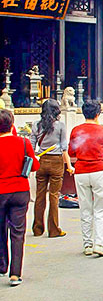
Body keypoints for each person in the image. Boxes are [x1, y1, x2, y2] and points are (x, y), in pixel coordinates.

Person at [68, 100, 103, 257]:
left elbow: (71, 152)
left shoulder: (76, 131)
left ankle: (87, 244)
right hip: (99, 170)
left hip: (80, 171)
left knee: (85, 209)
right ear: (98, 114)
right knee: (100, 209)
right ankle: (99, 243)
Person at [0, 109, 40, 286]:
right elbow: (34, 165)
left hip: (1, 191)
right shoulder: (23, 142)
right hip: (20, 191)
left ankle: (2, 265)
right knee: (17, 232)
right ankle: (15, 273)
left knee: (0, 229)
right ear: (12, 123)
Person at [30, 99, 73, 238]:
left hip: (41, 161)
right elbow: (64, 147)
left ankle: (37, 228)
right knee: (54, 196)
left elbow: (31, 145)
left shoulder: (36, 124)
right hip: (56, 161)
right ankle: (53, 229)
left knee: (40, 196)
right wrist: (69, 165)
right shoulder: (60, 126)